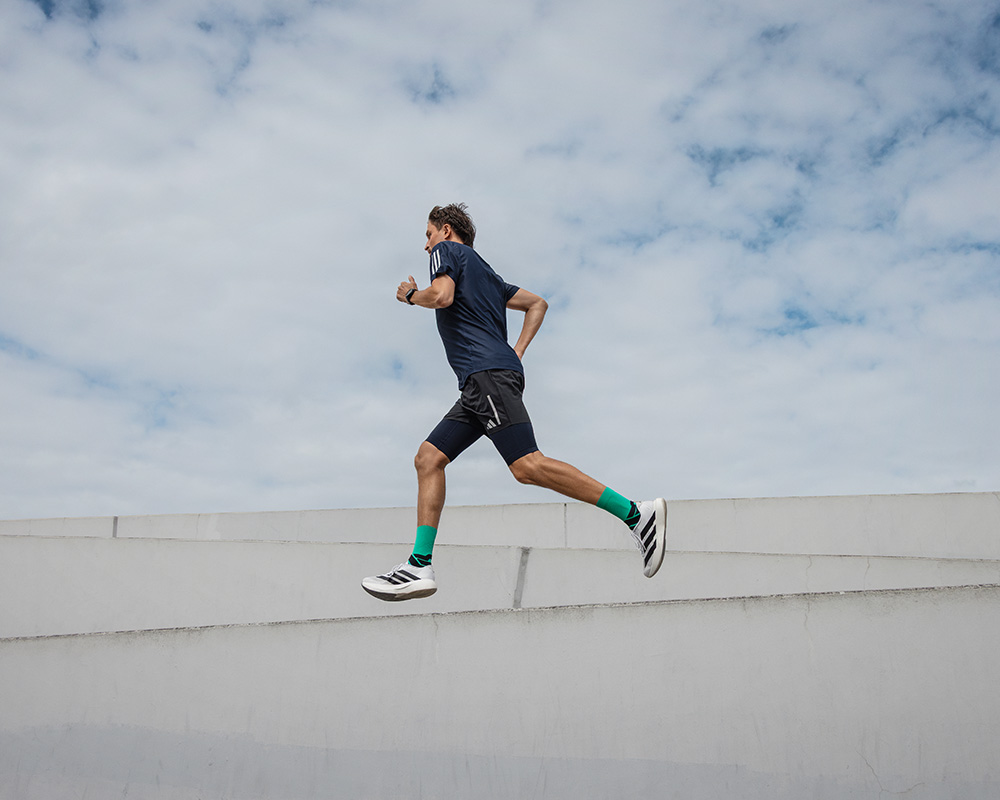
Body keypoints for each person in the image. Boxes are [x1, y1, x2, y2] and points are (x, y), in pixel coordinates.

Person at [362, 203, 666, 601]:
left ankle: (636, 514)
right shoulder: (487, 274)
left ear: (446, 230)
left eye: (428, 234)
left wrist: (411, 295)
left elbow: (441, 296)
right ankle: (419, 565)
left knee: (527, 465)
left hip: (485, 375)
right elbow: (537, 303)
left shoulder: (448, 253)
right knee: (428, 458)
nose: (425, 246)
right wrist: (516, 352)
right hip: (481, 381)